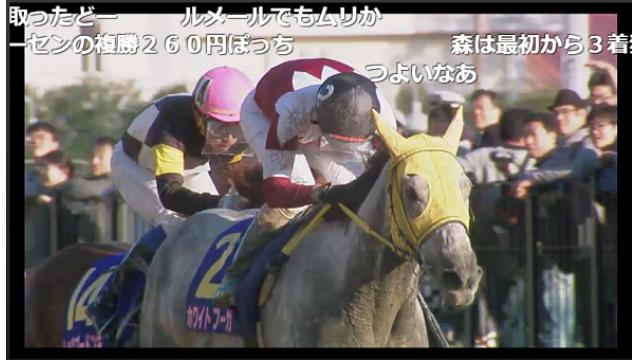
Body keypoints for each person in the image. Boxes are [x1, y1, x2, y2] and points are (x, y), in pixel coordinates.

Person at [87, 66, 254, 340]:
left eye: (235, 127)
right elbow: (171, 194)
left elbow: (235, 176)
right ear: (199, 115)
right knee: (173, 224)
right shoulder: (172, 126)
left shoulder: (231, 125)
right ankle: (110, 297)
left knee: (223, 219)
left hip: (190, 169)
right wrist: (224, 199)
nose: (229, 136)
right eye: (219, 126)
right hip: (138, 170)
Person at [212, 58, 397, 305]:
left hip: (325, 124)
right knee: (292, 201)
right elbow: (275, 191)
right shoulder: (291, 109)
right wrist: (316, 194)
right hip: (265, 115)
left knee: (363, 198)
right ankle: (236, 274)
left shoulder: (384, 115)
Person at [63, 137, 119, 243]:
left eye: (101, 157)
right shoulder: (92, 180)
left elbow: (75, 188)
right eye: (92, 156)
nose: (94, 161)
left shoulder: (117, 182)